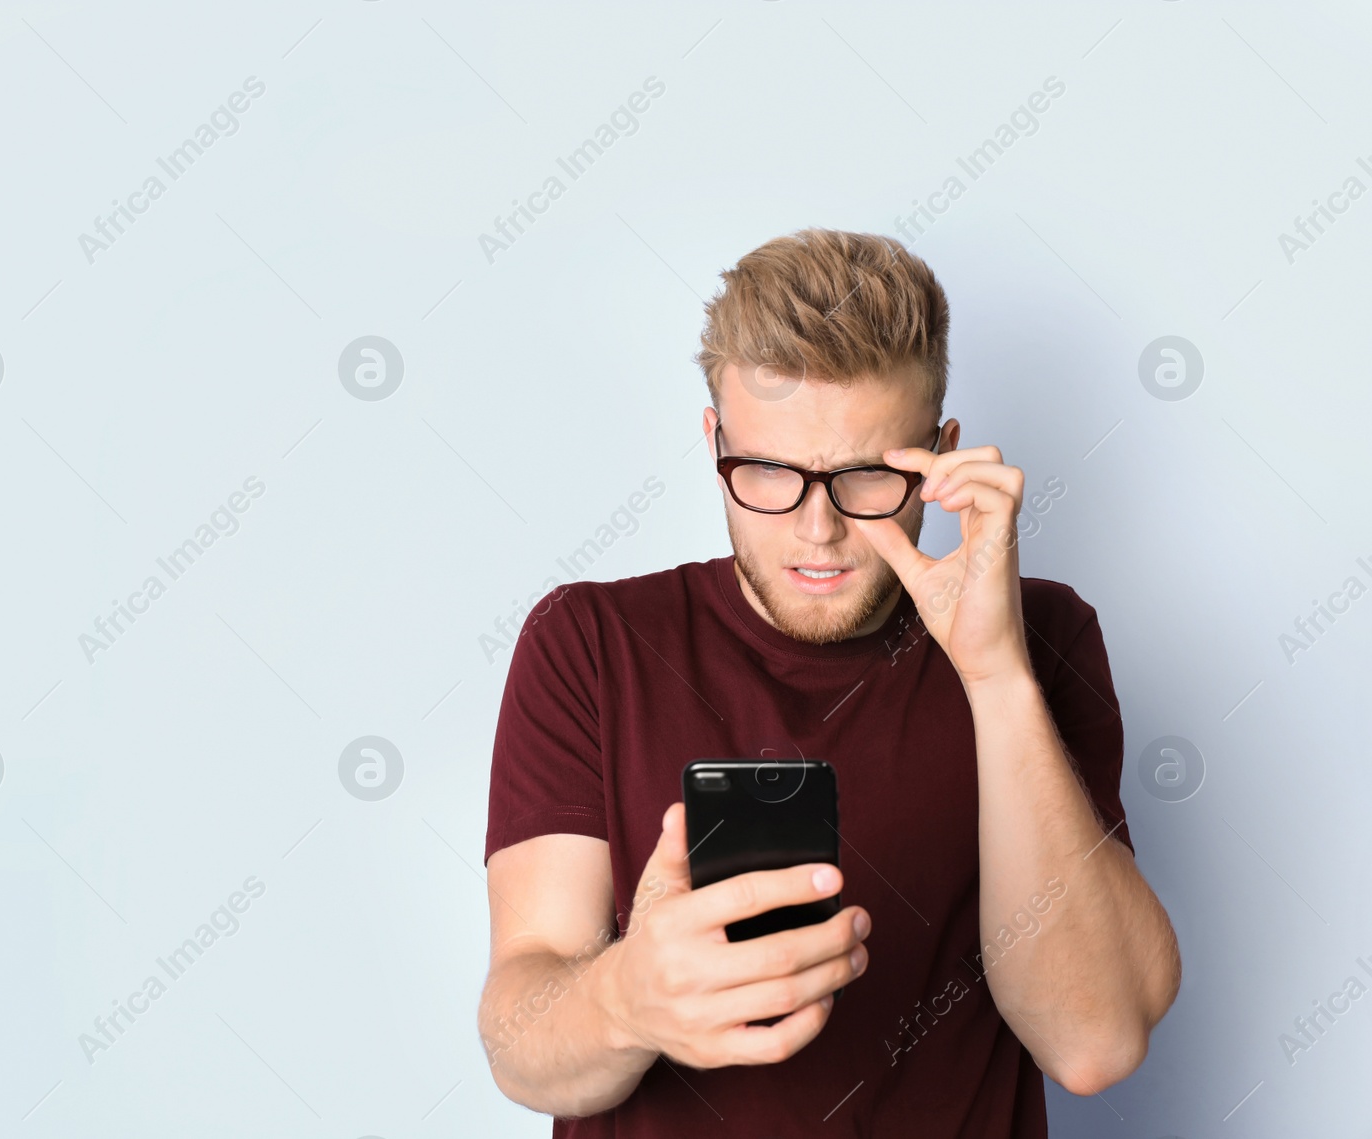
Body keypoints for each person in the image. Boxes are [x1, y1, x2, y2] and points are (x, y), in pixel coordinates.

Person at [477, 228, 1180, 1137]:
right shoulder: (590, 642)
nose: (816, 530)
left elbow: (1095, 1041)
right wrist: (627, 998)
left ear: (942, 456)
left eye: (864, 477)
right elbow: (518, 1041)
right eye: (768, 471)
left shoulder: (1041, 635)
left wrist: (994, 672)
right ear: (715, 441)